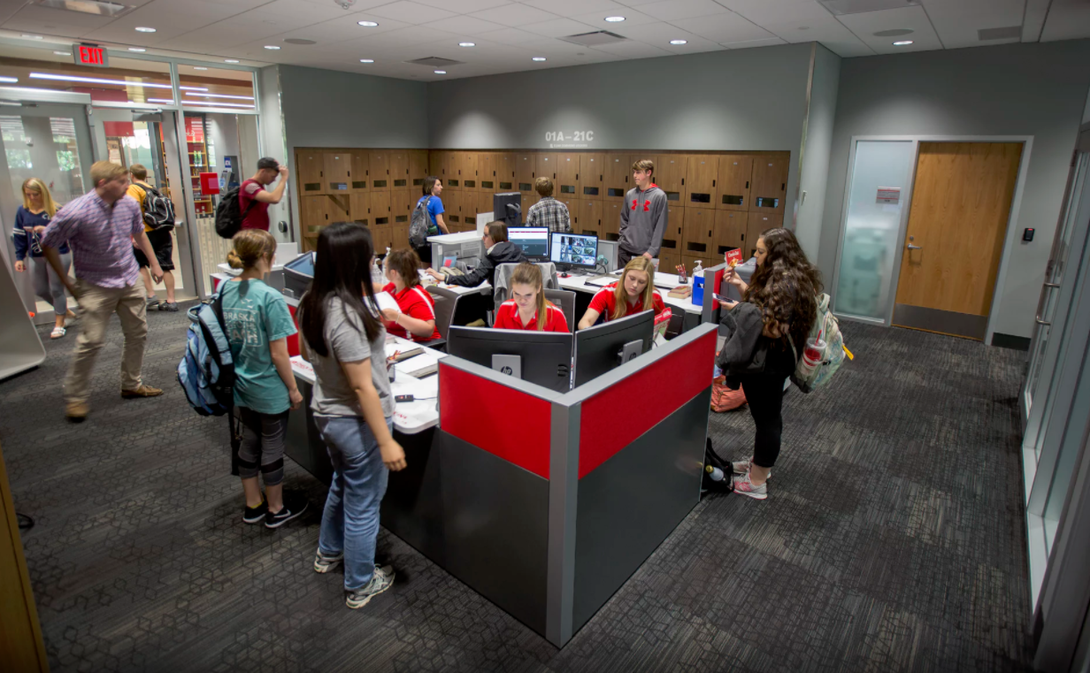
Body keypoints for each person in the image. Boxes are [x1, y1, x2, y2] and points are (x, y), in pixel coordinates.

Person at [297, 221, 407, 610]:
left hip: (328, 414)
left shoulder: (313, 301)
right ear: (353, 260)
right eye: (370, 255)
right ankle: (360, 584)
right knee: (364, 505)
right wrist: (386, 441)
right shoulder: (346, 315)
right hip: (356, 422)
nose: (374, 260)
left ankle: (328, 552)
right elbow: (363, 388)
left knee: (343, 485)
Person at [40, 161, 165, 422]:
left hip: (130, 279)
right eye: (121, 181)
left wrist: (154, 263)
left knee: (137, 333)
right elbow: (48, 242)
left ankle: (131, 384)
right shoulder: (75, 212)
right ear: (102, 184)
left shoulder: (129, 203)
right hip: (96, 285)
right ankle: (76, 397)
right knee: (92, 341)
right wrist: (65, 280)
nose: (127, 185)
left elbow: (139, 234)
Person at [715, 228, 821, 500]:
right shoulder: (790, 277)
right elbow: (768, 307)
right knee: (767, 417)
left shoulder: (785, 283)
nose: (756, 256)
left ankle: (757, 481)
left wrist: (738, 311)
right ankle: (759, 467)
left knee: (767, 420)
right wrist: (741, 287)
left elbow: (774, 327)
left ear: (776, 254)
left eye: (761, 251)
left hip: (768, 362)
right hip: (773, 359)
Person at [220, 229, 309, 528]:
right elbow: (279, 355)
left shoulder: (225, 289)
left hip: (240, 383)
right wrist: (294, 390)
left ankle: (253, 504)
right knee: (272, 446)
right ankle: (276, 508)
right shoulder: (270, 297)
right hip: (268, 387)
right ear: (265, 258)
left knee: (250, 440)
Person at [11, 178, 76, 339]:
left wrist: (46, 229)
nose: (32, 198)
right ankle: (65, 311)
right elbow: (19, 235)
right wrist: (20, 257)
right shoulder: (23, 211)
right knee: (39, 289)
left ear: (43, 193)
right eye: (28, 195)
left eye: (35, 194)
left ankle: (59, 323)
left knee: (56, 289)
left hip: (58, 254)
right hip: (36, 256)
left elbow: (67, 234)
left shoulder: (56, 210)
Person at [127, 164, 178, 312]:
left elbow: (134, 210)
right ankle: (171, 300)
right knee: (166, 265)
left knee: (141, 264)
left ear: (131, 175)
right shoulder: (153, 189)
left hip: (145, 233)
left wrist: (134, 236)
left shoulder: (133, 189)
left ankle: (151, 295)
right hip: (162, 232)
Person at [424, 222, 525, 288]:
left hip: (501, 307)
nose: (482, 238)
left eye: (485, 235)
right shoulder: (517, 251)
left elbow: (473, 280)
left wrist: (445, 278)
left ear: (495, 237)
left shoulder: (492, 255)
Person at [577, 257, 666, 330]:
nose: (635, 285)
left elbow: (662, 325)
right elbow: (584, 322)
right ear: (624, 275)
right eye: (631, 278)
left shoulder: (654, 296)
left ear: (647, 284)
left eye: (641, 282)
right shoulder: (606, 293)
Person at [380, 248, 440, 343]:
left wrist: (397, 317)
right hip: (394, 340)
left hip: (419, 345)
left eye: (386, 267)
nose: (384, 270)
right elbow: (377, 288)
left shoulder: (416, 296)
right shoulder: (392, 288)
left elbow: (428, 330)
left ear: (393, 273)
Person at [618, 159, 669, 266]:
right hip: (625, 249)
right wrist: (622, 238)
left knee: (642, 282)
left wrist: (652, 251)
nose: (634, 176)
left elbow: (660, 226)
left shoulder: (659, 196)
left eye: (638, 172)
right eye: (634, 172)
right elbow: (624, 219)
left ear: (648, 173)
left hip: (645, 253)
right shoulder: (630, 194)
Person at [493, 262, 569, 332]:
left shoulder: (555, 315)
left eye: (528, 295)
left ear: (538, 288)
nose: (522, 301)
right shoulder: (504, 309)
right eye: (517, 294)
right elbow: (494, 342)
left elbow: (566, 346)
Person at [240, 157, 289, 232]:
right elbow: (274, 198)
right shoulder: (248, 185)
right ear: (262, 171)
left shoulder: (259, 186)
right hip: (250, 234)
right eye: (272, 176)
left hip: (259, 232)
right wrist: (284, 178)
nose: (274, 180)